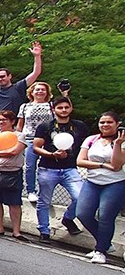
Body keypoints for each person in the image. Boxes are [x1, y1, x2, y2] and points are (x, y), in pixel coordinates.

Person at [32, 96, 89, 240]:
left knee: (81, 197)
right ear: (54, 109)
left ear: (71, 108)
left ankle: (68, 218)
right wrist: (52, 154)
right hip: (48, 169)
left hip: (70, 168)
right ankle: (44, 231)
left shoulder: (80, 126)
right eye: (60, 107)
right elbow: (36, 148)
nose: (63, 110)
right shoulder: (45, 126)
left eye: (66, 107)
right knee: (44, 201)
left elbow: (86, 146)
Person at [74, 112, 125, 264]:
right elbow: (80, 161)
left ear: (117, 124)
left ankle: (100, 250)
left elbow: (116, 165)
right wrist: (102, 165)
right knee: (83, 213)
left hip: (115, 183)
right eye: (102, 122)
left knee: (105, 217)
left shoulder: (122, 142)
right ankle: (106, 243)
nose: (105, 125)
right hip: (92, 181)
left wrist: (117, 144)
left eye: (109, 122)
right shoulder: (91, 139)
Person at [0, 110, 27, 239]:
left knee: (14, 202)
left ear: (12, 121)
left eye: (4, 120)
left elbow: (14, 151)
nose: (1, 122)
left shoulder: (19, 136)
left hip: (12, 172)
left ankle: (16, 231)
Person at [16, 81, 55, 204]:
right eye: (37, 89)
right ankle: (31, 191)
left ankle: (44, 192)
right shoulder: (25, 107)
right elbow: (20, 125)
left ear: (47, 92)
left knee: (47, 167)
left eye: (43, 89)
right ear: (31, 92)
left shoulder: (51, 106)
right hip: (30, 138)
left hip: (47, 138)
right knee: (30, 166)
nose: (40, 91)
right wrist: (17, 139)